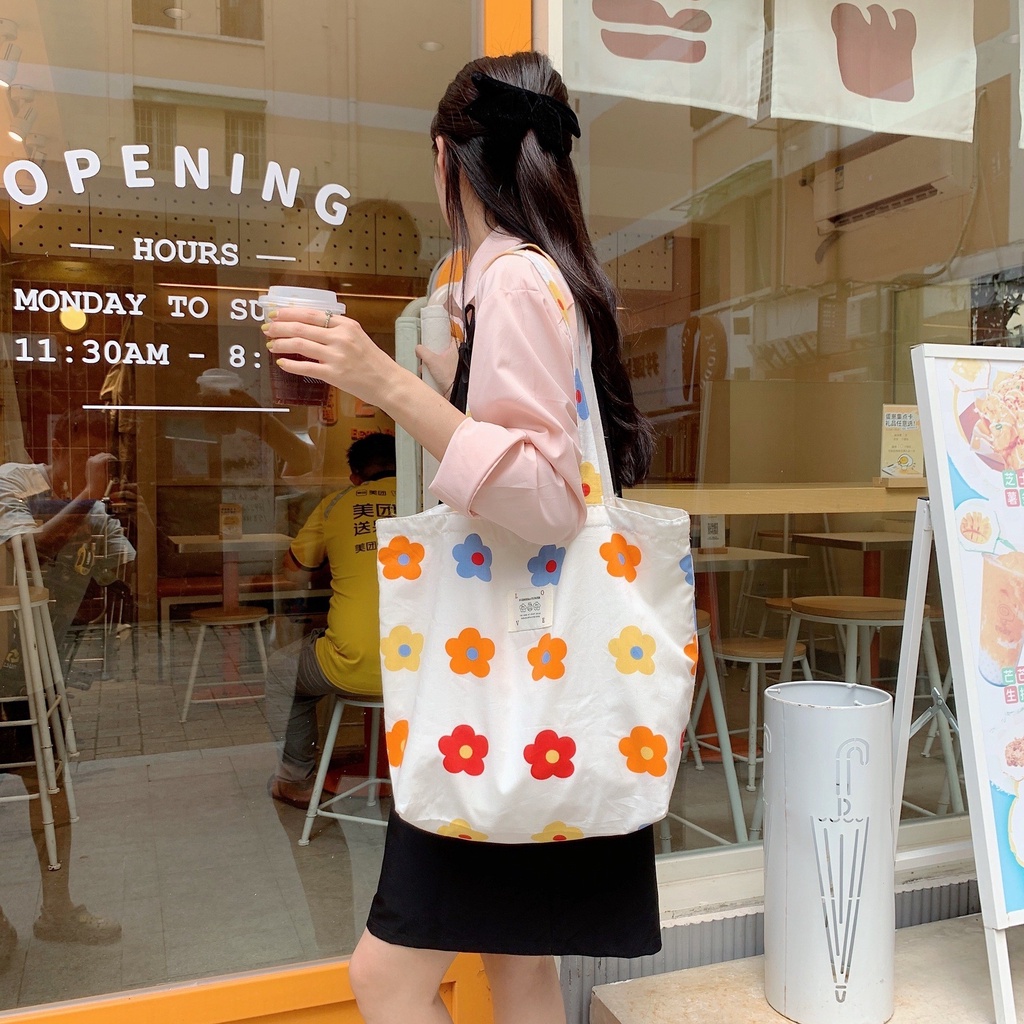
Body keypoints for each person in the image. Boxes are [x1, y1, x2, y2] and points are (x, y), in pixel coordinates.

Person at [263, 52, 656, 1024]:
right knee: (517, 966)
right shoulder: (538, 276)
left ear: (445, 158)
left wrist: (385, 381)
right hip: (536, 695)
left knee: (387, 977)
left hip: (500, 703)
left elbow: (545, 497)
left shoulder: (513, 279)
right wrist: (454, 381)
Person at [0, 410, 134, 966]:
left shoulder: (97, 510)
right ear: (57, 445)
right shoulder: (13, 481)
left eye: (105, 455)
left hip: (38, 670)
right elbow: (23, 551)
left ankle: (57, 909)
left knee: (50, 783)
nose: (95, 464)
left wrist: (116, 514)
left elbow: (119, 572)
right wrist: (86, 498)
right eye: (86, 452)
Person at [266, 432, 397, 809]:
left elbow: (294, 574)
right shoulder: (427, 502)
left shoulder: (336, 504)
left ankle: (295, 780)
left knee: (281, 671)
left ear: (355, 477)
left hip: (354, 665)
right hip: (425, 668)